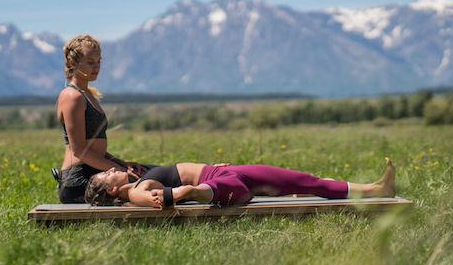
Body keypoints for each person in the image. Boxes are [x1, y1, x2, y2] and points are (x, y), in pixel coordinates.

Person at [54, 34, 151, 203]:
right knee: (154, 181)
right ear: (73, 63)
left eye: (99, 61)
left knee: (151, 173)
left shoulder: (88, 95)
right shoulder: (72, 96)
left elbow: (94, 148)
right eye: (90, 62)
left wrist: (124, 164)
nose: (96, 66)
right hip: (79, 180)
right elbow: (80, 151)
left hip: (97, 171)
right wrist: (120, 170)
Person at [84, 158, 396, 208]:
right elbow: (155, 200)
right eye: (107, 175)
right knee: (306, 183)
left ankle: (375, 189)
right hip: (218, 187)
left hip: (225, 175)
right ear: (112, 189)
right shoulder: (137, 191)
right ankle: (201, 193)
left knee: (305, 180)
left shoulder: (138, 180)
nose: (111, 170)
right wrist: (180, 194)